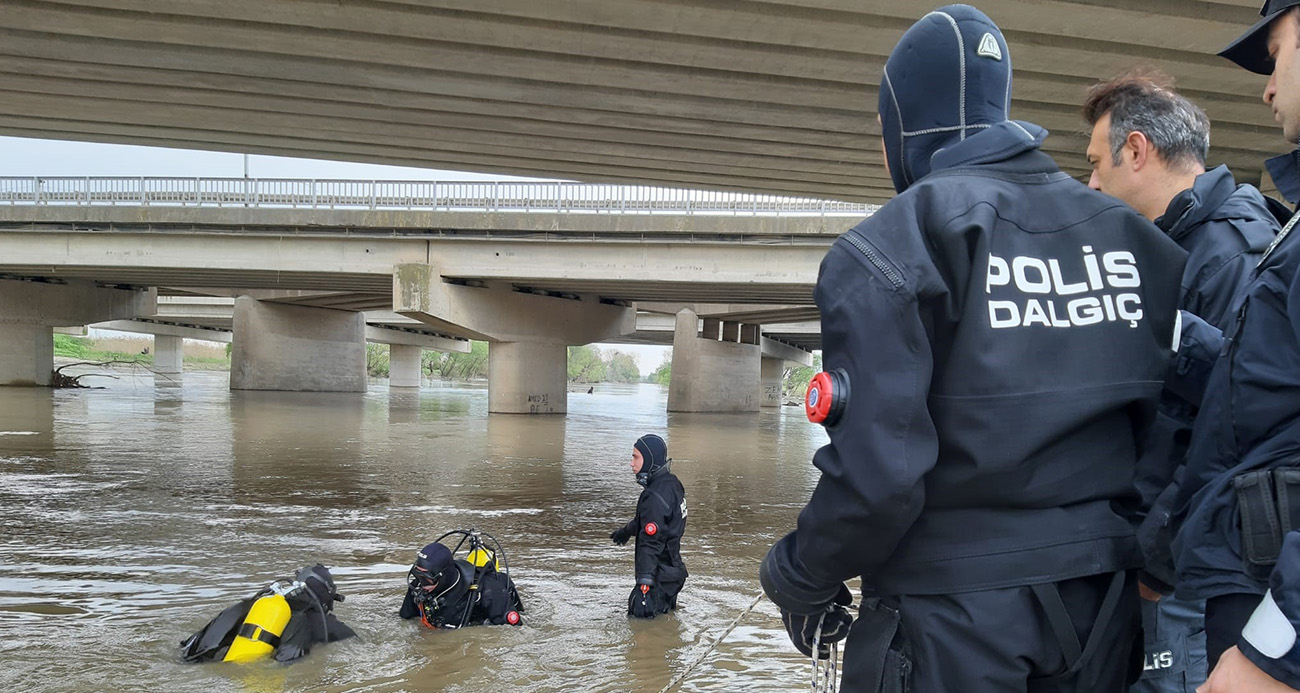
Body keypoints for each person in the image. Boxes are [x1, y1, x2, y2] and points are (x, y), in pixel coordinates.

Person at [759, 5, 1187, 691]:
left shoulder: (890, 249)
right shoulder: (1141, 245)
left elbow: (876, 477)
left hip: (950, 622)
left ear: (907, 124)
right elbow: (1176, 431)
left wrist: (800, 572)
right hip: (1105, 613)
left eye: (881, 129)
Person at [1081, 73, 1278, 692]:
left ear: (1136, 151)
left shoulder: (1230, 256)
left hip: (1182, 570)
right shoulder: (1178, 247)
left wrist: (1157, 562)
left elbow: (1227, 433)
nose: (1089, 182)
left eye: (1095, 162)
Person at [1173, 0, 1300, 686]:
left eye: (1277, 56)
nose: (1268, 87)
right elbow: (1267, 398)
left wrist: (1274, 654)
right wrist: (1170, 338)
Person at [180, 563, 356, 663]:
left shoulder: (256, 604)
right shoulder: (317, 623)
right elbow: (286, 663)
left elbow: (192, 643)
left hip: (194, 659)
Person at [610, 433, 687, 619]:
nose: (631, 463)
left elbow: (652, 541)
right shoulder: (672, 484)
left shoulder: (653, 496)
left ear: (650, 460)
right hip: (673, 574)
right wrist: (627, 531)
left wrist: (644, 585)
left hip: (657, 578)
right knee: (665, 627)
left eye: (636, 457)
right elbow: (657, 522)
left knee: (642, 630)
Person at [400, 537, 524, 629]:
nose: (420, 583)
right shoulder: (418, 587)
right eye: (418, 575)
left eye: (426, 579)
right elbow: (404, 620)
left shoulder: (488, 591)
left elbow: (514, 633)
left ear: (443, 576)